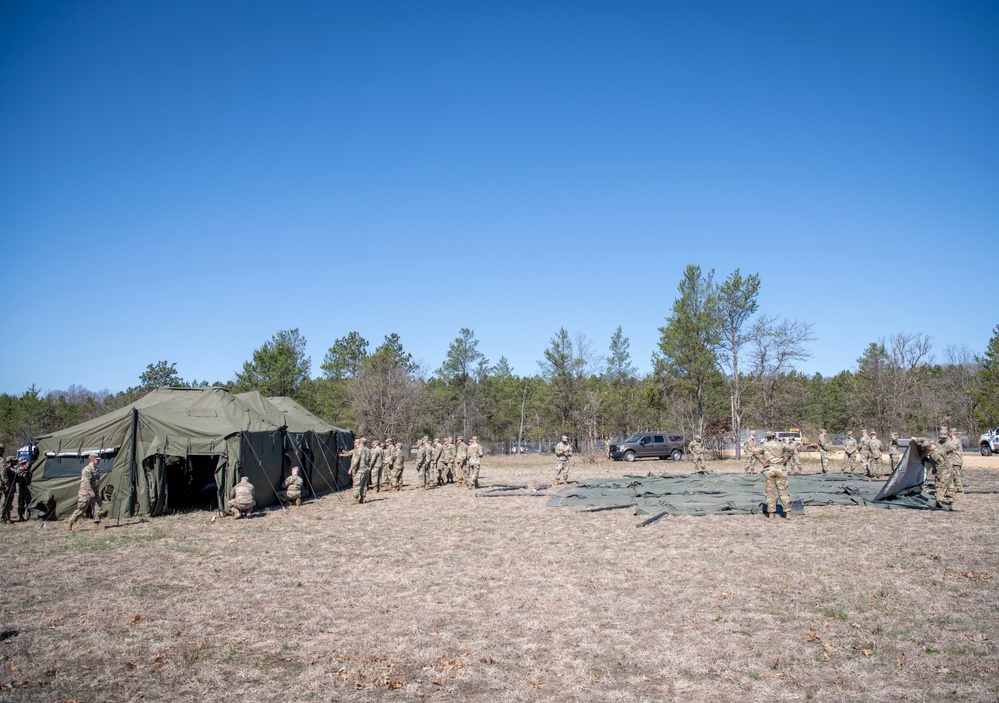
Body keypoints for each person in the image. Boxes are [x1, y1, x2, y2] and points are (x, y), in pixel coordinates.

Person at [67, 453, 104, 531]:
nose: (99, 461)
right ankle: (70, 523)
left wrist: (96, 492)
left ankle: (96, 524)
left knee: (98, 507)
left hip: (95, 492)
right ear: (93, 460)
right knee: (81, 509)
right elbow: (86, 482)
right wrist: (90, 491)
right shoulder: (87, 469)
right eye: (97, 459)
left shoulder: (96, 470)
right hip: (86, 493)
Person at [761, 432, 792, 520]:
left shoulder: (764, 445)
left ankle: (771, 513)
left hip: (769, 469)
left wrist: (763, 461)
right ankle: (787, 512)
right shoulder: (781, 444)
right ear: (774, 437)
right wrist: (786, 459)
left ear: (767, 437)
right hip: (780, 469)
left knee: (770, 493)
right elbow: (791, 449)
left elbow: (755, 451)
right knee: (783, 492)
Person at [348, 437, 371, 504]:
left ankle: (356, 499)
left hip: (359, 470)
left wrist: (351, 468)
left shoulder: (359, 449)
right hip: (366, 470)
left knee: (357, 484)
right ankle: (362, 498)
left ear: (360, 442)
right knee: (364, 485)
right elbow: (370, 459)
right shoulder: (368, 450)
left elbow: (356, 460)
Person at [945, 428, 964, 502]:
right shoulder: (951, 440)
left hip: (956, 461)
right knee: (952, 476)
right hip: (952, 461)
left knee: (956, 475)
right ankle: (951, 490)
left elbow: (950, 447)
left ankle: (960, 490)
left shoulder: (955, 441)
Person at [1, 457, 16, 524]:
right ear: (10, 461)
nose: (15, 462)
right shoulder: (7, 469)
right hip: (8, 487)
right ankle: (4, 517)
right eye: (14, 461)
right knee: (7, 502)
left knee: (9, 503)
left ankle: (7, 517)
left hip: (12, 487)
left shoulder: (12, 469)